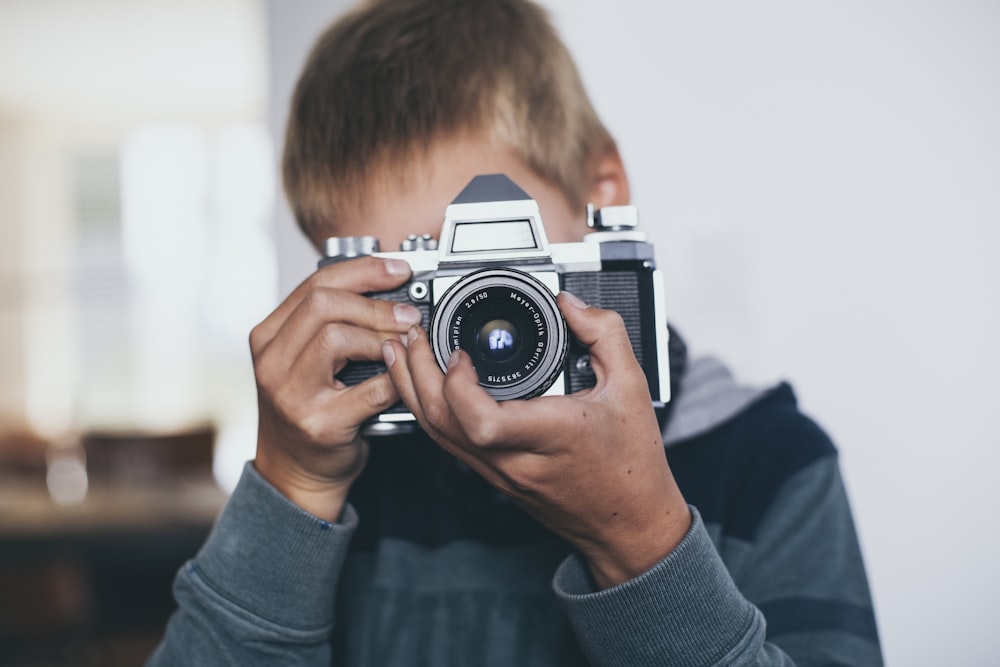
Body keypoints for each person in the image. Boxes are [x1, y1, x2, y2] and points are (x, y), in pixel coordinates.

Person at [149, 0, 882, 664]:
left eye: (484, 265)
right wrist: (296, 488)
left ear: (600, 192)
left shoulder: (770, 465)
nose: (473, 332)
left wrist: (637, 540)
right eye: (418, 289)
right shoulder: (355, 476)